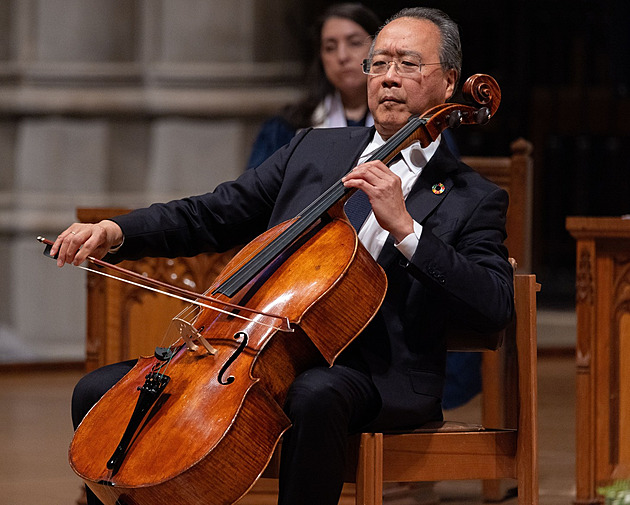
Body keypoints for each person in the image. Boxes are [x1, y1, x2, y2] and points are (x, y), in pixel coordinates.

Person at [53, 7, 514, 505]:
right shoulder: (313, 150)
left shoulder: (472, 196)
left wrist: (406, 228)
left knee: (315, 394)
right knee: (97, 392)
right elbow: (214, 212)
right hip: (257, 355)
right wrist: (117, 230)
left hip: (377, 375)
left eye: (407, 64)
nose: (388, 79)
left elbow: (493, 303)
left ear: (449, 82)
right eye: (378, 64)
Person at [247, 3, 380, 169]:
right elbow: (256, 191)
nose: (342, 56)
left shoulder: (403, 122)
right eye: (330, 48)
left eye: (354, 43)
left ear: (379, 50)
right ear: (321, 58)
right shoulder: (287, 127)